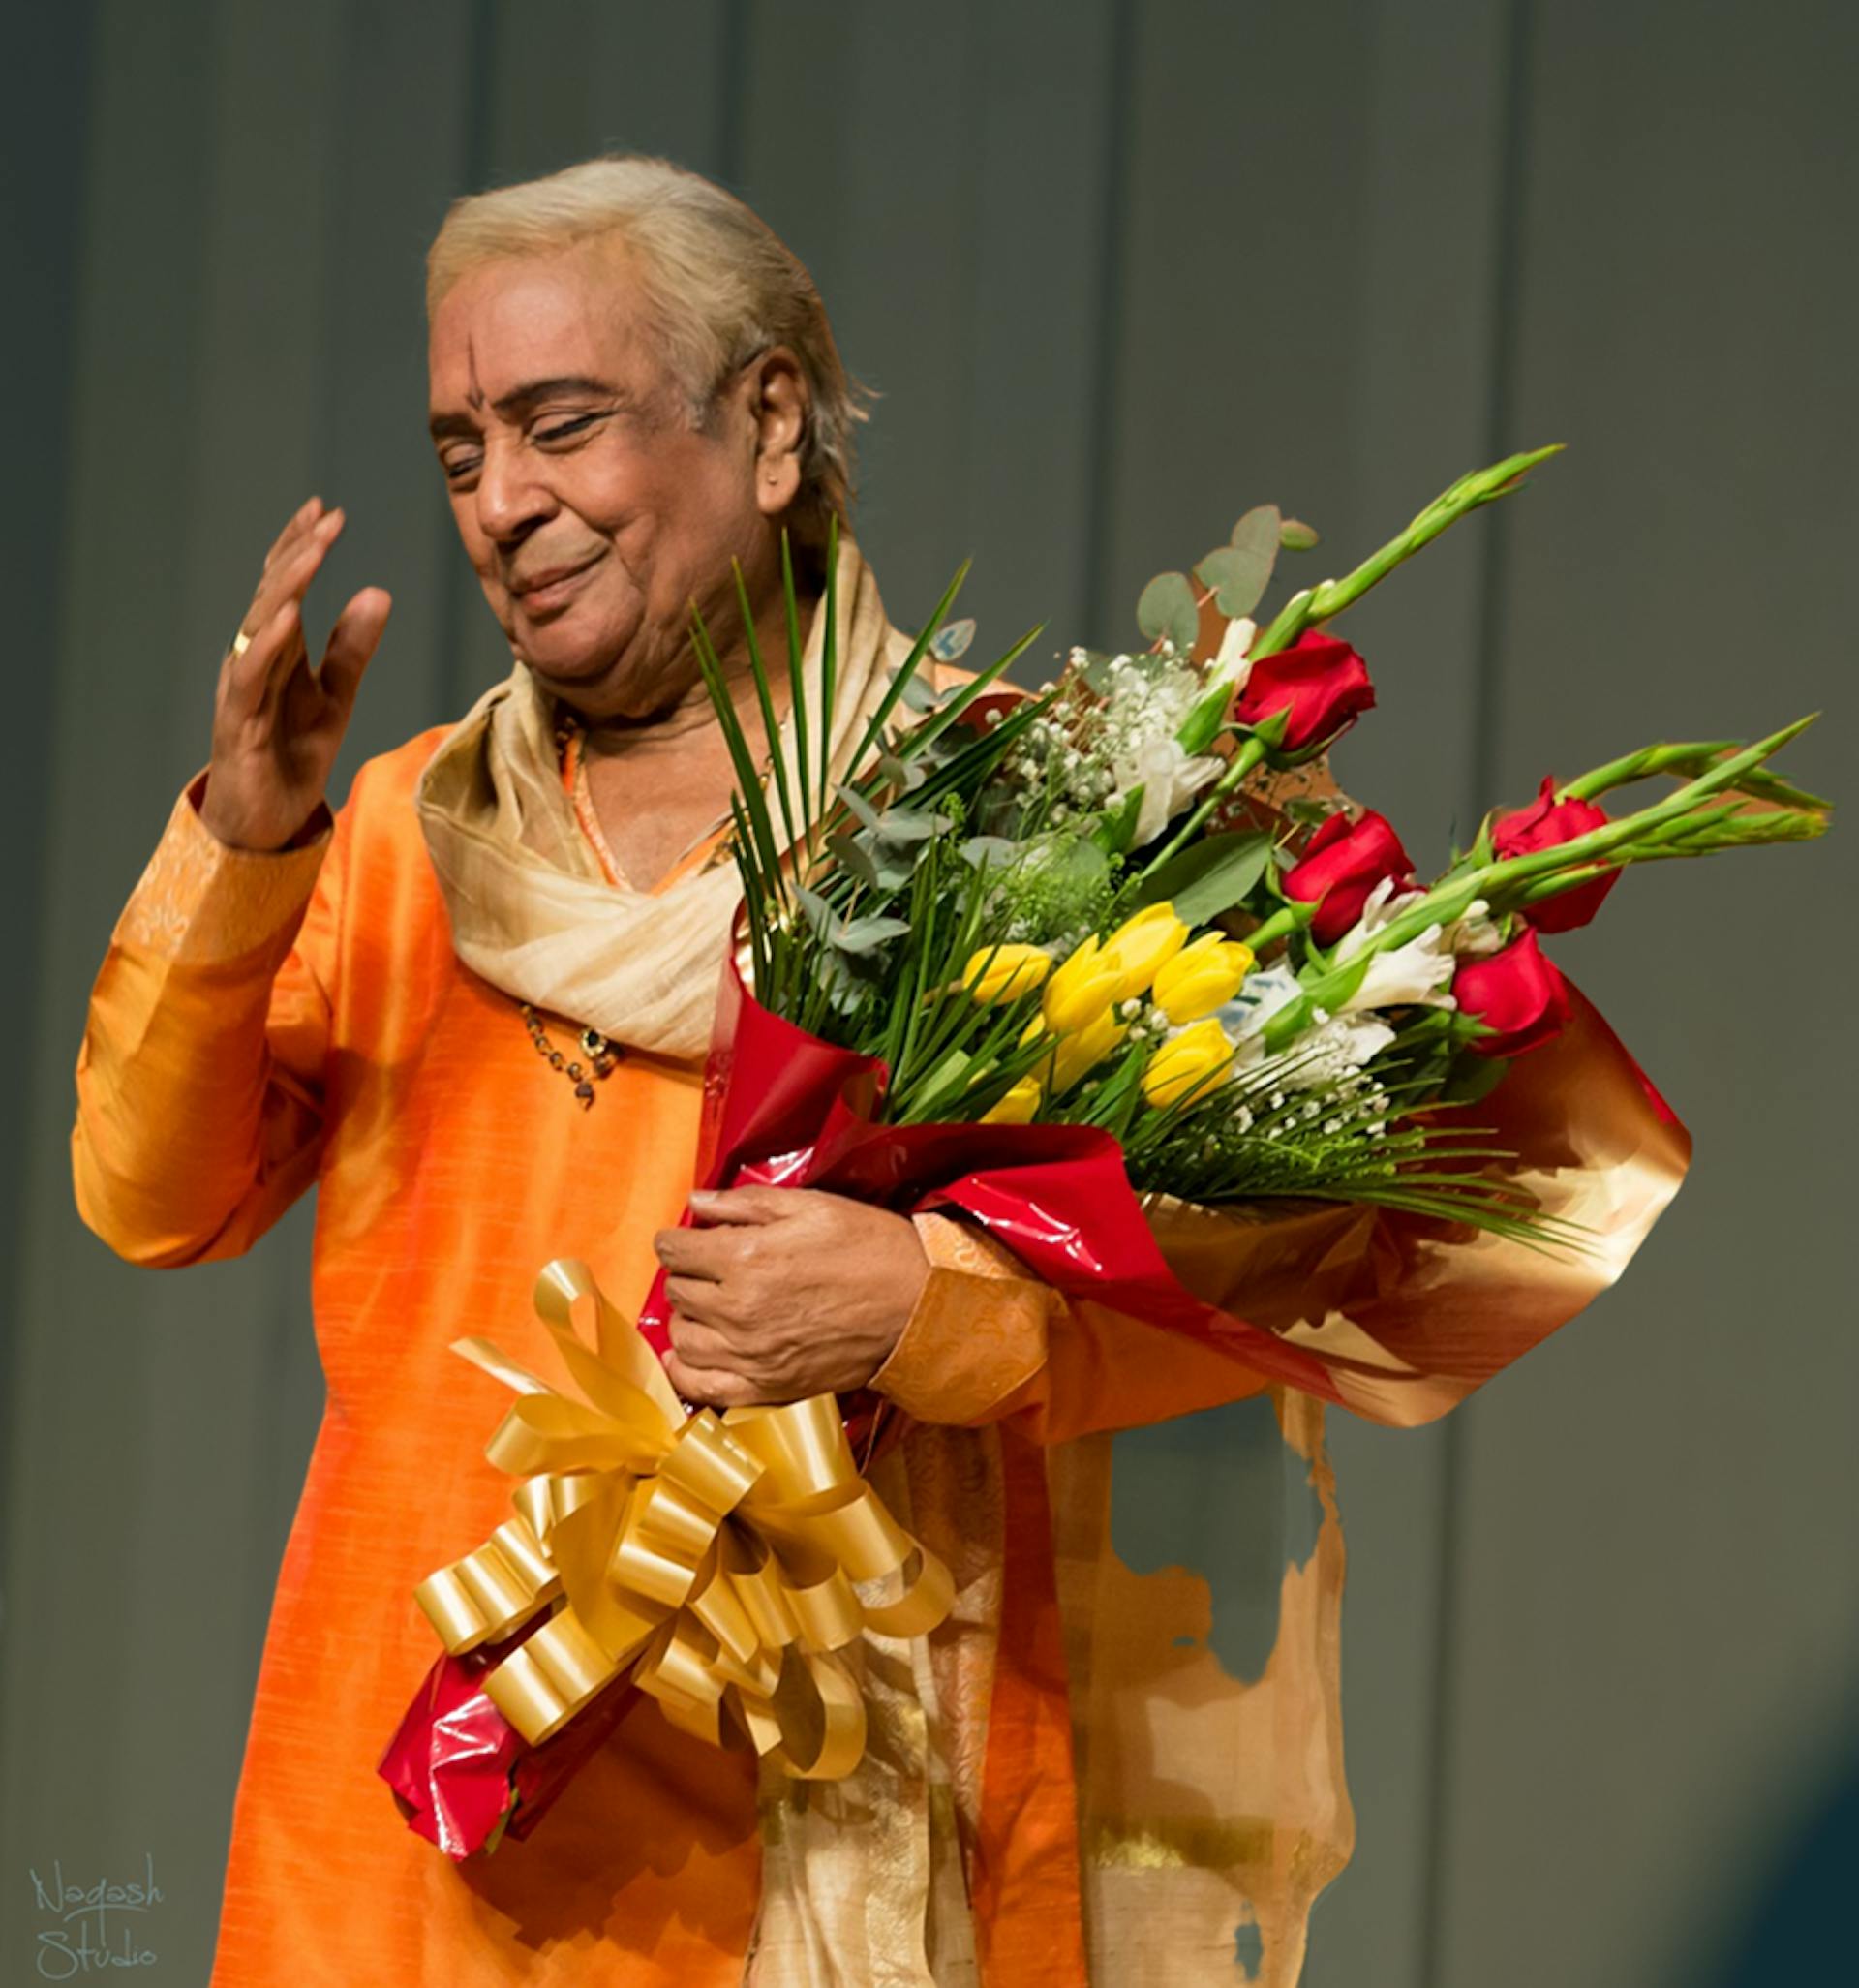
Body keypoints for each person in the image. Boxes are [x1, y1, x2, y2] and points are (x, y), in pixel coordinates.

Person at [73, 155, 1684, 1987]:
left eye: (561, 426)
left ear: (768, 427)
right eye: (461, 453)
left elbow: (1263, 1290)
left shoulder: (1031, 819)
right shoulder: (395, 833)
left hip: (849, 1839)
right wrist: (245, 846)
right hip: (410, 1833)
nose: (503, 505)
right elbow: (150, 1196)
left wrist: (931, 1305)